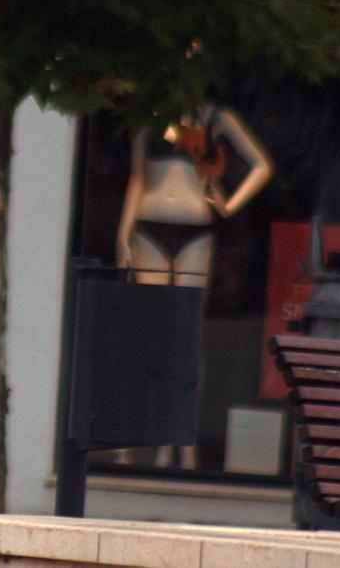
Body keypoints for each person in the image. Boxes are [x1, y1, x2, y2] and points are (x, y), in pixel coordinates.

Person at [115, 103, 273, 468]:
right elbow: (138, 178)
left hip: (196, 229)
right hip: (149, 226)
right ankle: (154, 438)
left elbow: (262, 165)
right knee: (154, 338)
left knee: (187, 339)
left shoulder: (217, 118)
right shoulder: (150, 113)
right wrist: (122, 236)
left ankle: (182, 441)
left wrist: (229, 204)